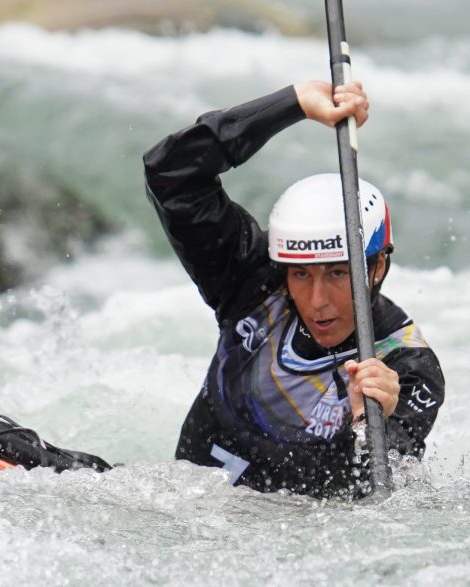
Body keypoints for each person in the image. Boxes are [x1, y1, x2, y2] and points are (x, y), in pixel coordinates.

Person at [142, 80, 445, 499]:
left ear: (378, 266)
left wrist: (369, 422)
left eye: (338, 274)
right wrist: (293, 103)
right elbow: (171, 174)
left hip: (284, 541)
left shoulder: (406, 367)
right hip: (176, 512)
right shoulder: (255, 277)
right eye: (301, 275)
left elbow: (379, 503)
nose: (317, 301)